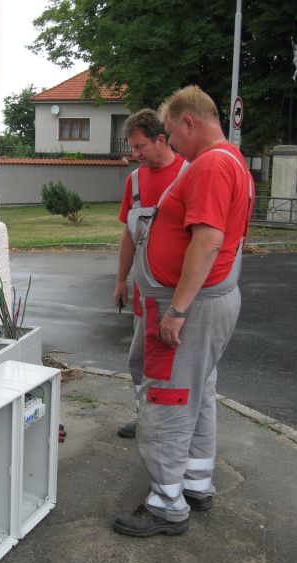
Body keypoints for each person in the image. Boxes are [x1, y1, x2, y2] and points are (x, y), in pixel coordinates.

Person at [113, 86, 254, 537]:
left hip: (189, 308)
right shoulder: (231, 159)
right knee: (198, 392)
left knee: (168, 399)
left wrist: (176, 308)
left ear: (188, 122)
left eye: (172, 133)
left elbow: (207, 240)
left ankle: (166, 503)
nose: (170, 142)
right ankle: (195, 483)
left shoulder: (210, 165)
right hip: (207, 302)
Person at [114, 109, 185, 439]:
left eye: (140, 146)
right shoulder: (135, 181)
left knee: (177, 364)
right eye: (132, 147)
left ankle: (173, 425)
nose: (135, 154)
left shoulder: (188, 173)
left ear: (161, 140)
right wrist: (121, 280)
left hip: (179, 294)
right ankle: (144, 416)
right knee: (140, 359)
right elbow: (129, 235)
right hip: (145, 294)